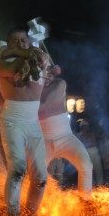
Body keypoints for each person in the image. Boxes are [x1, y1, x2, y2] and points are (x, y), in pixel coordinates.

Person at [0, 27, 50, 216]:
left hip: (32, 124)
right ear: (8, 44)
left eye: (24, 41)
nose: (21, 44)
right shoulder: (2, 63)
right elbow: (13, 69)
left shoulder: (39, 60)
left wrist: (15, 50)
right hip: (12, 121)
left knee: (41, 177)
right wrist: (18, 53)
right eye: (16, 42)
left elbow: (43, 59)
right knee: (18, 168)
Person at [39, 68, 94, 198]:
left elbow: (46, 103)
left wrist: (28, 104)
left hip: (66, 139)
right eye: (42, 71)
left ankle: (85, 200)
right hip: (44, 142)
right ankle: (41, 204)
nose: (46, 75)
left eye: (48, 70)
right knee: (36, 175)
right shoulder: (32, 89)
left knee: (86, 165)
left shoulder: (59, 84)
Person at [75, 119, 103, 186]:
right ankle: (92, 184)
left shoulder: (91, 134)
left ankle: (100, 184)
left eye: (86, 126)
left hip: (94, 152)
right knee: (88, 170)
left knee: (98, 169)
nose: (85, 128)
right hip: (85, 153)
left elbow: (96, 141)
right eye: (83, 126)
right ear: (81, 127)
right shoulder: (79, 136)